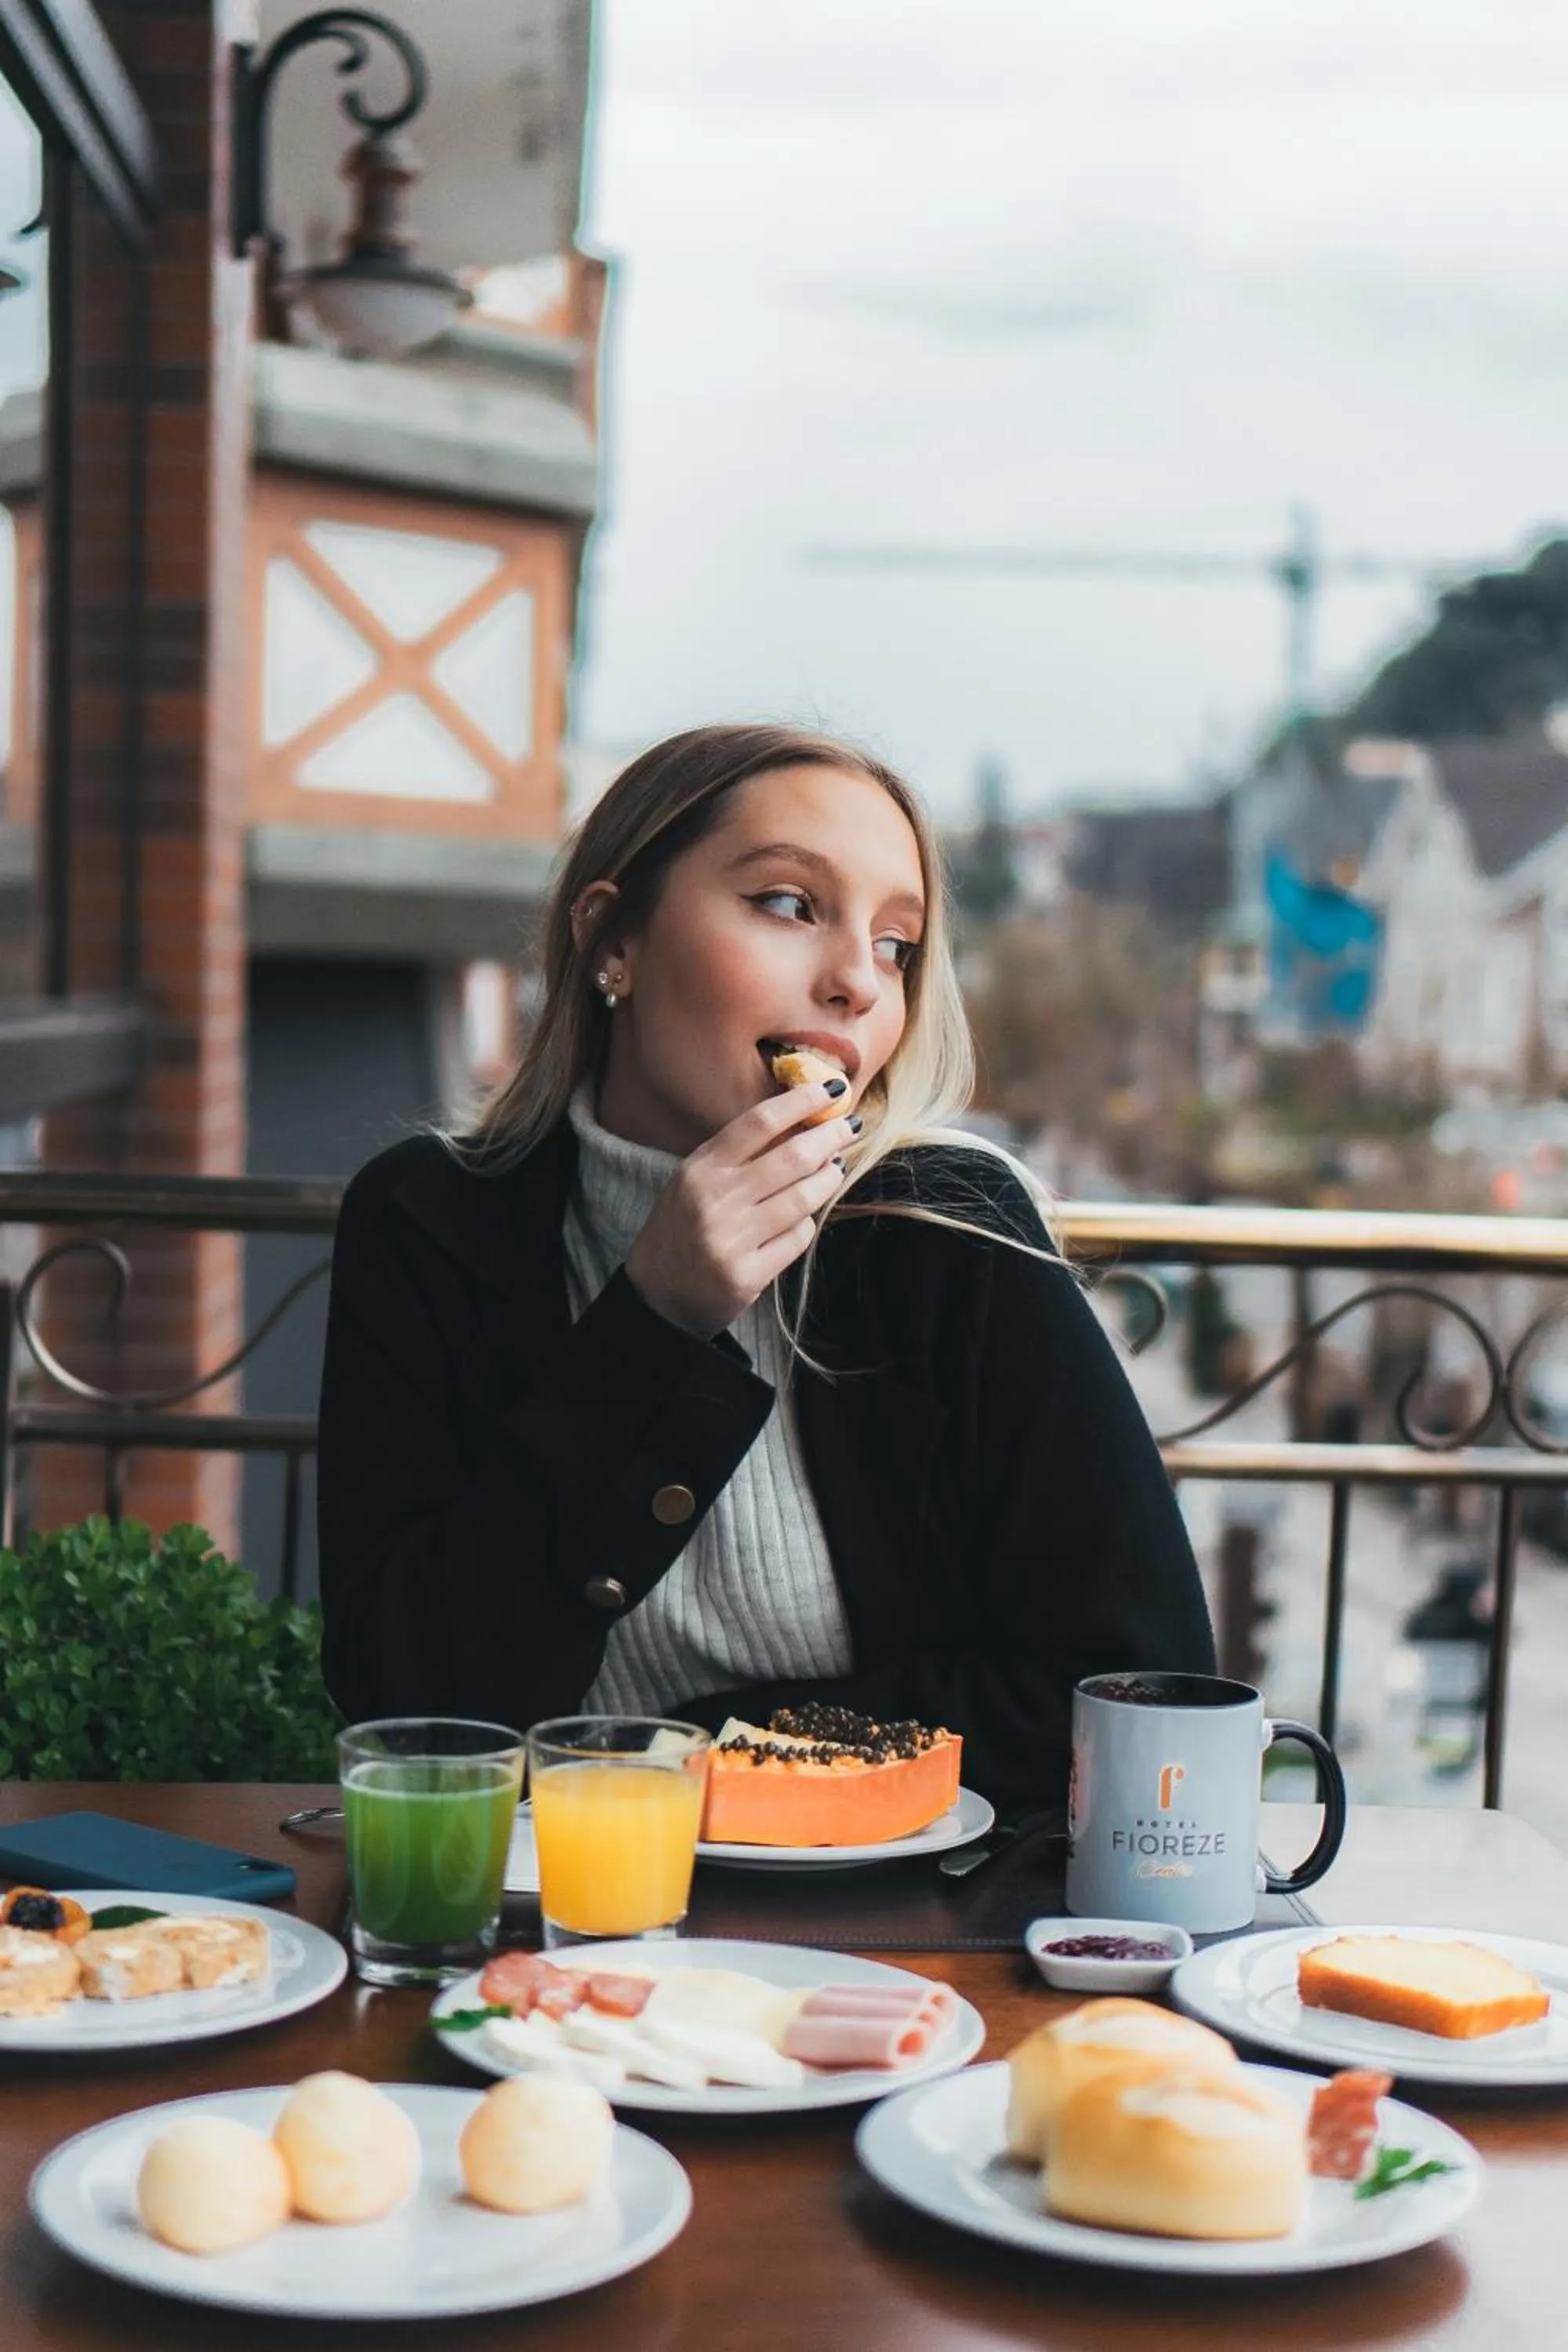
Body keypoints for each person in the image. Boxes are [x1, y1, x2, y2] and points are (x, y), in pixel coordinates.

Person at [317, 723, 1214, 1814]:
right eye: (790, 905)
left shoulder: (950, 1232)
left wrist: (699, 1755)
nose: (856, 984)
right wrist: (649, 1324)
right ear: (614, 942)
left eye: (898, 944)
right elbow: (413, 1710)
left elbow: (1134, 1689)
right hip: (550, 1916)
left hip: (920, 1926)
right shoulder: (430, 1222)